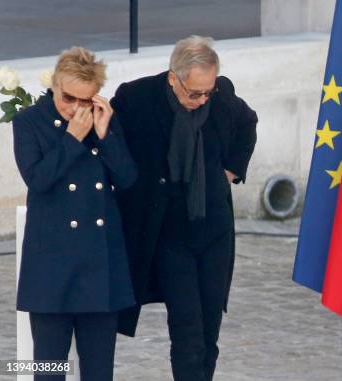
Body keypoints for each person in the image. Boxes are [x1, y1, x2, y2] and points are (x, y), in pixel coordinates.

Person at [110, 35, 257, 381]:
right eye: (195, 93)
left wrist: (231, 170)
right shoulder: (138, 98)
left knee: (209, 332)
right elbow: (112, 142)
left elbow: (248, 123)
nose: (203, 99)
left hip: (214, 230)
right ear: (173, 78)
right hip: (169, 233)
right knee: (187, 330)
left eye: (207, 91)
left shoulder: (222, 97)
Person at [13, 47, 137, 381]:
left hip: (98, 266)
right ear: (54, 85)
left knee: (99, 371)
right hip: (52, 268)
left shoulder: (104, 121)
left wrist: (104, 135)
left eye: (87, 100)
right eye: (69, 98)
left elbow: (127, 179)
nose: (77, 109)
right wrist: (71, 139)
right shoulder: (28, 123)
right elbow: (38, 180)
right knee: (49, 370)